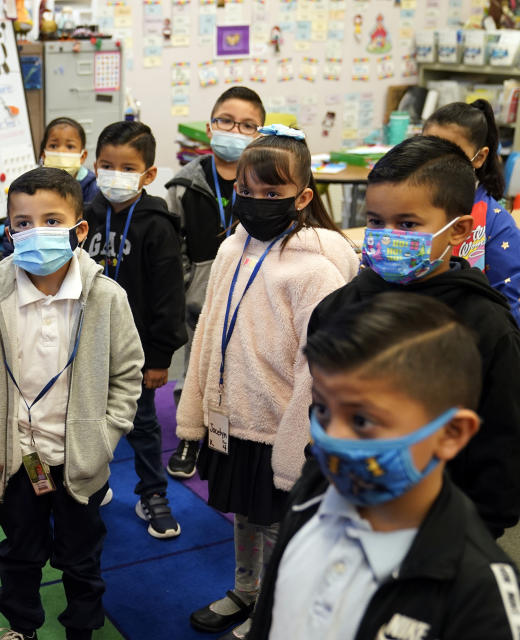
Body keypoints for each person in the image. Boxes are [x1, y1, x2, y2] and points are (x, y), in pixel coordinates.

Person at [249, 292, 520, 640]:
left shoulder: (479, 593)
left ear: (451, 433)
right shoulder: (313, 491)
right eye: (323, 410)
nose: (332, 438)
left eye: (362, 420)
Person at [177, 125, 358, 640]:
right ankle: (246, 590)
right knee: (244, 517)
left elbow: (318, 367)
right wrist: (199, 408)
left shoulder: (316, 272)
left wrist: (295, 441)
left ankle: (278, 608)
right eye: (247, 191)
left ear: (303, 197)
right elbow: (210, 329)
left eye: (272, 193)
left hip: (281, 428)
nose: (255, 203)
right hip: (234, 417)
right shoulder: (233, 251)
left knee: (281, 523)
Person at [0, 167, 144, 640]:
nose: (34, 232)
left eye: (50, 219)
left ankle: (82, 627)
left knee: (82, 556)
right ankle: (23, 625)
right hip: (18, 457)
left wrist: (105, 437)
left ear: (79, 231)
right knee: (19, 551)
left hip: (80, 458)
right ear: (8, 230)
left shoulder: (105, 297)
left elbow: (127, 374)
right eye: (21, 223)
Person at [308, 135, 520, 539]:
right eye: (375, 221)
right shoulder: (336, 309)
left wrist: (470, 536)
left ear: (458, 231)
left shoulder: (487, 327)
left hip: (440, 528)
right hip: (339, 508)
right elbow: (319, 412)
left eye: (407, 224)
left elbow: (501, 449)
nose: (387, 236)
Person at [81, 121, 186, 539]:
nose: (115, 175)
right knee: (87, 422)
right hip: (86, 347)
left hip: (136, 354)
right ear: (94, 165)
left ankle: (152, 494)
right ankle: (92, 484)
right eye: (107, 165)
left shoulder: (157, 226)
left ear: (148, 175)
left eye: (127, 167)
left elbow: (168, 297)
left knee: (141, 425)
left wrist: (159, 358)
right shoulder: (83, 217)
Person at [165, 86, 267, 479]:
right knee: (195, 367)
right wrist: (189, 291)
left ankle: (230, 440)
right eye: (226, 120)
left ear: (259, 134)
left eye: (246, 124)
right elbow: (175, 252)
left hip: (251, 293)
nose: (234, 130)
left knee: (240, 369)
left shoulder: (266, 183)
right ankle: (189, 438)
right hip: (199, 298)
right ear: (210, 127)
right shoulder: (184, 185)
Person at [423, 99, 520, 324]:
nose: (434, 162)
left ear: (480, 157)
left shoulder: (495, 222)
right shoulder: (410, 205)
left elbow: (510, 304)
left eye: (450, 153)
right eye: (428, 147)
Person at [1, 117, 98, 257]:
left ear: (83, 156)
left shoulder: (91, 188)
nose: (61, 152)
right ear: (43, 153)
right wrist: (10, 260)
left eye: (70, 146)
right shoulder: (27, 187)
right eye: (53, 146)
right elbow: (12, 226)